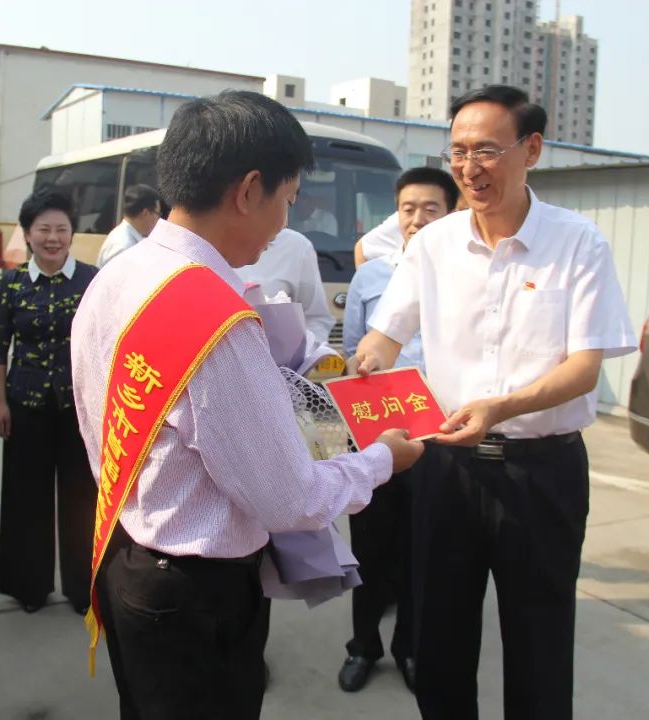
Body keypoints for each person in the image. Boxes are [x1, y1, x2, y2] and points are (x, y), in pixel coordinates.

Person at [70, 90, 425, 720]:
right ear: (248, 190)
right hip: (195, 595)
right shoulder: (216, 320)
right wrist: (380, 461)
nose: (285, 222)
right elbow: (290, 499)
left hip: (128, 554)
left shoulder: (120, 274)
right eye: (288, 200)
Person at [351, 85, 636, 720]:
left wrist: (500, 407)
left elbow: (584, 368)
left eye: (486, 150)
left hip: (542, 473)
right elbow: (385, 336)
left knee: (540, 638)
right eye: (457, 153)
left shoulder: (577, 243)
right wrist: (353, 367)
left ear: (530, 149)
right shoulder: (434, 244)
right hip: (445, 468)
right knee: (440, 635)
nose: (469, 168)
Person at [337, 166, 458, 694]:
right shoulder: (370, 277)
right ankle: (364, 646)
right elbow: (350, 352)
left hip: (439, 439)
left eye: (430, 209)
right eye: (408, 208)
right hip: (377, 436)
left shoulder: (465, 278)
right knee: (369, 550)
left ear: (451, 214)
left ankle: (411, 648)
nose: (417, 219)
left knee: (421, 552)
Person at [0, 188, 98, 614]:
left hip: (79, 407)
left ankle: (80, 586)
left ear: (72, 234)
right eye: (43, 229)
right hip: (26, 404)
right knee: (25, 498)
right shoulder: (11, 284)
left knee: (81, 497)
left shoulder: (92, 279)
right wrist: (0, 404)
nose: (53, 238)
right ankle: (27, 586)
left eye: (61, 229)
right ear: (28, 235)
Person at [236, 227, 336, 344]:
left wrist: (302, 356)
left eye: (289, 207)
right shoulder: (211, 242)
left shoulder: (297, 247)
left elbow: (315, 319)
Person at [96, 184, 161, 267]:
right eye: (158, 214)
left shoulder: (130, 238)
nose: (158, 220)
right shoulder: (123, 246)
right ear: (145, 213)